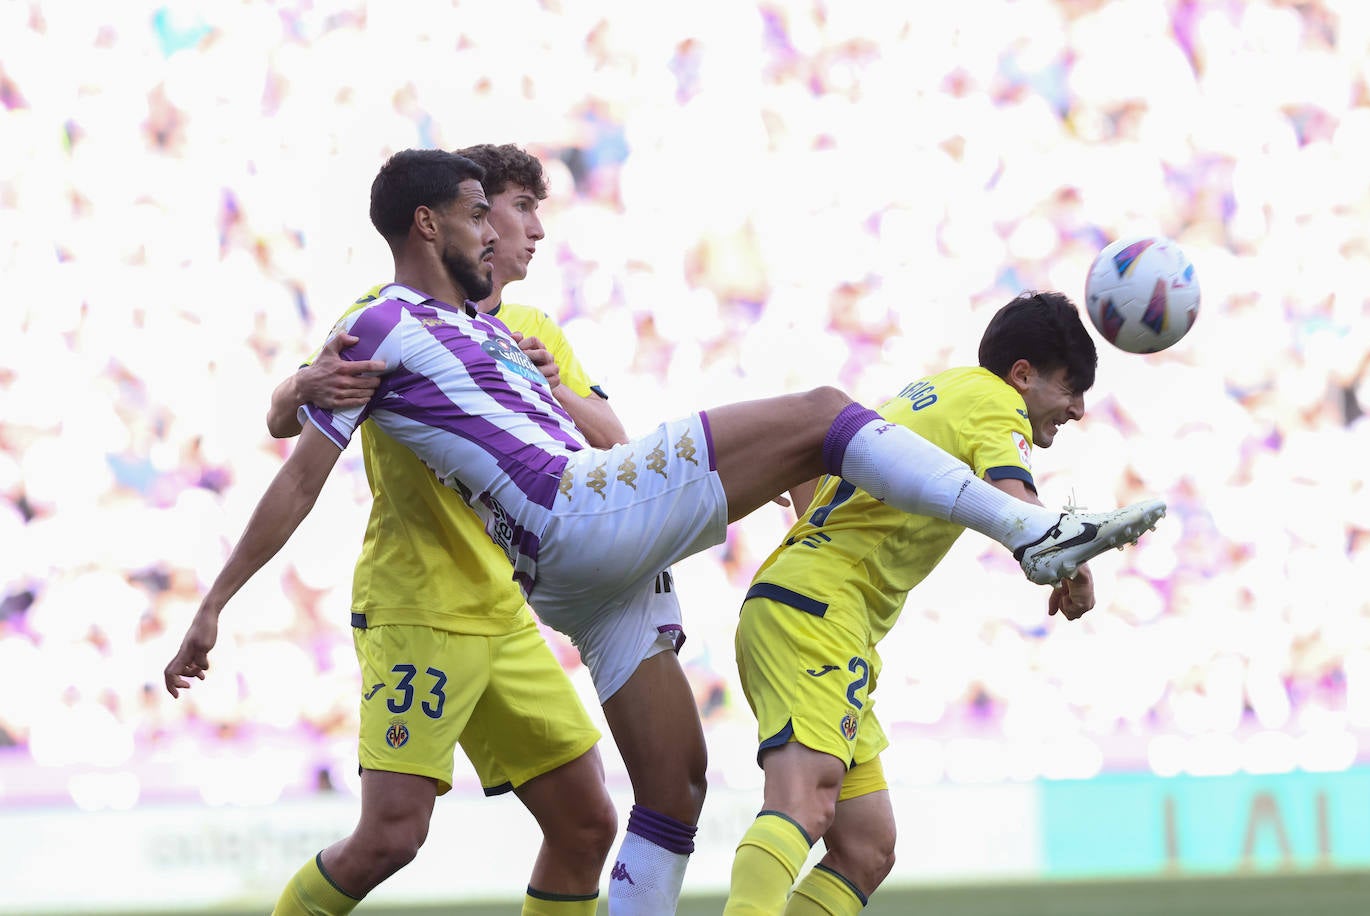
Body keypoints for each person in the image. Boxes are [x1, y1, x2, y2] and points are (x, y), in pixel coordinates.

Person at [163, 148, 1163, 902]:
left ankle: (1026, 531)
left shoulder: (498, 331)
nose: (507, 238)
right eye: (483, 217)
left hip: (574, 576)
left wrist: (749, 472)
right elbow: (299, 469)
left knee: (671, 789)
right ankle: (1030, 531)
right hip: (575, 514)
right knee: (822, 410)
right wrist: (215, 599)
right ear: (429, 225)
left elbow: (592, 422)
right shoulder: (381, 325)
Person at [263, 142, 703, 915]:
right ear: (473, 218)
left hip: (504, 610)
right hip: (421, 604)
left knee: (587, 822)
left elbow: (614, 446)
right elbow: (290, 421)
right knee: (391, 838)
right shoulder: (386, 317)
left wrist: (550, 386)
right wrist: (299, 381)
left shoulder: (535, 329)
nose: (532, 231)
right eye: (518, 208)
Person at [722, 293, 1112, 914]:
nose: (1079, 409)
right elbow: (1015, 507)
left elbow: (821, 485)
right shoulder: (993, 402)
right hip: (817, 613)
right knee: (804, 802)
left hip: (814, 609)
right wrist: (1073, 561)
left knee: (866, 846)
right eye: (1071, 389)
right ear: (1022, 375)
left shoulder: (932, 393)